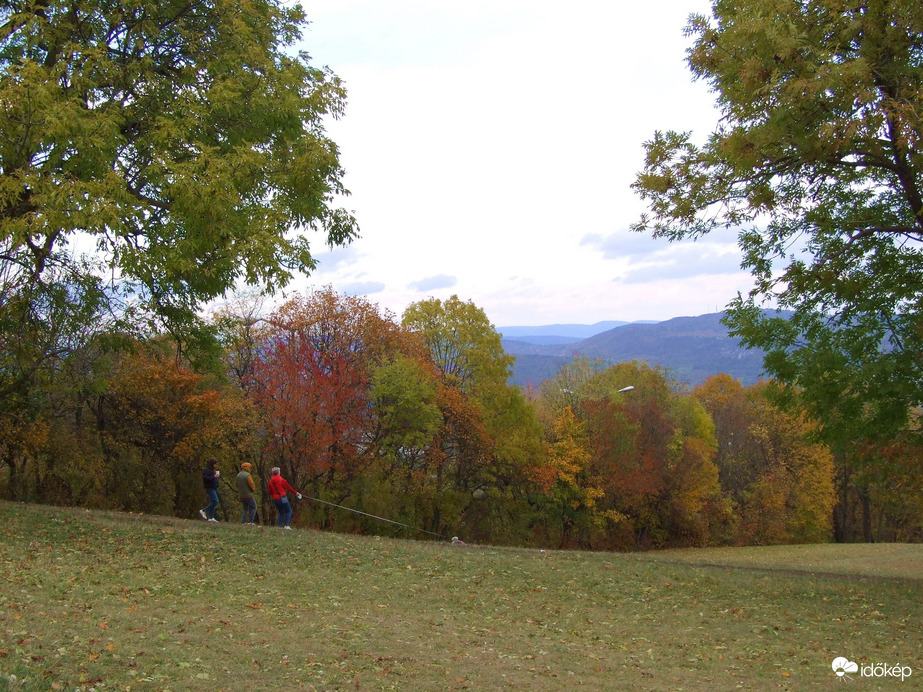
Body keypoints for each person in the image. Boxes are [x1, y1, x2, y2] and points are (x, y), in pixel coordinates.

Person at [199, 457, 221, 522]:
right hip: (209, 487)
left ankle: (211, 517)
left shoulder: (213, 470)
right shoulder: (206, 470)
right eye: (215, 464)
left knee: (212, 502)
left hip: (213, 487)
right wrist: (214, 477)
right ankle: (204, 510)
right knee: (215, 501)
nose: (215, 465)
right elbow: (206, 478)